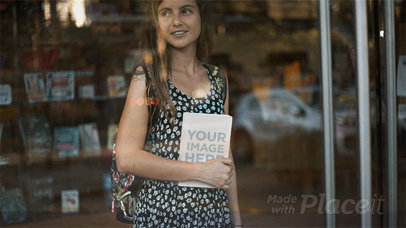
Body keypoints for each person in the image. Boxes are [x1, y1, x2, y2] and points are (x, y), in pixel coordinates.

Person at [115, 0, 242, 227]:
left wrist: (237, 221)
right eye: (166, 13)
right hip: (162, 217)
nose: (176, 21)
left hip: (213, 216)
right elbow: (126, 158)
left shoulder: (218, 79)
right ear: (156, 22)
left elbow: (225, 157)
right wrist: (199, 172)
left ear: (201, 16)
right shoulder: (146, 78)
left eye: (186, 11)